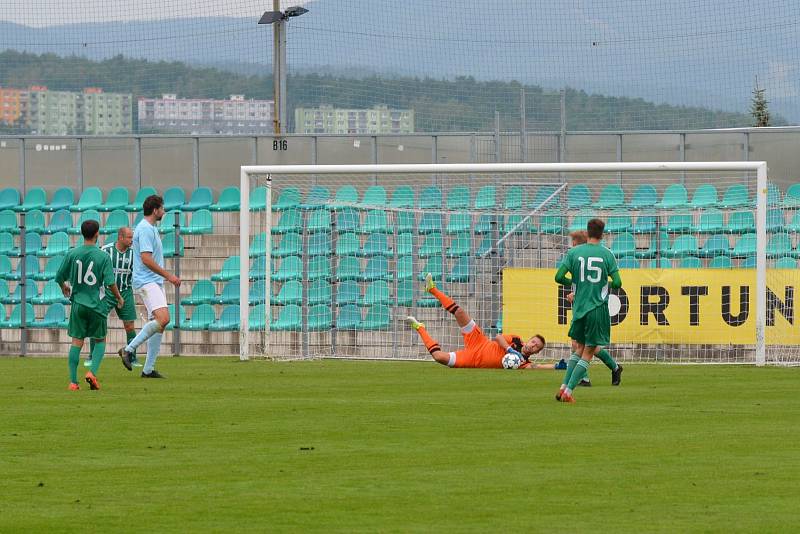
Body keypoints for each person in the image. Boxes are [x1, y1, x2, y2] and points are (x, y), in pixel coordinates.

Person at [407, 273, 545, 368]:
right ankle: (432, 289)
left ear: (537, 352)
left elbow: (536, 367)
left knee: (438, 357)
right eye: (534, 342)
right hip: (479, 341)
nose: (533, 345)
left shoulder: (523, 363)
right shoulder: (516, 340)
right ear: (530, 339)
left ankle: (420, 328)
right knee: (460, 312)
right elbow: (497, 337)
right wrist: (509, 349)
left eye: (536, 347)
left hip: (472, 360)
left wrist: (557, 366)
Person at [554, 218, 623, 403]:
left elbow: (559, 277)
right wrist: (603, 283)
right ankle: (569, 392)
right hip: (597, 308)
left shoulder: (574, 252)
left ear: (588, 231)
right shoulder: (607, 254)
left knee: (578, 349)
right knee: (589, 351)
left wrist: (577, 284)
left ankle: (562, 388)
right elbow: (617, 283)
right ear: (602, 234)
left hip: (579, 308)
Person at [56, 219, 125, 391]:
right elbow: (110, 282)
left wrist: (64, 286)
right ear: (97, 234)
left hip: (78, 304)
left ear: (82, 233)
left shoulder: (72, 254)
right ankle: (92, 373)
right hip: (96, 305)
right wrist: (119, 297)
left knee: (76, 342)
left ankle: (73, 382)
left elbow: (58, 276)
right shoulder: (103, 256)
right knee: (100, 340)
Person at [117, 195, 181, 378]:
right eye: (162, 208)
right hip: (147, 281)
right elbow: (145, 258)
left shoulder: (149, 228)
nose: (164, 211)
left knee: (159, 325)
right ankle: (128, 350)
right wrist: (169, 275)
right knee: (163, 319)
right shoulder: (145, 229)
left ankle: (148, 369)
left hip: (153, 281)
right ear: (155, 210)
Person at [85, 227, 140, 368]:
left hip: (125, 291)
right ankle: (92, 356)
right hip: (107, 292)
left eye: (132, 237)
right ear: (120, 237)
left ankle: (132, 357)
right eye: (129, 237)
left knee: (129, 325)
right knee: (97, 321)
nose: (131, 240)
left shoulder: (134, 253)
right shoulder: (106, 250)